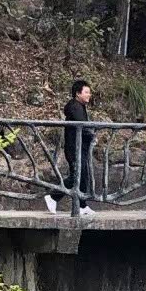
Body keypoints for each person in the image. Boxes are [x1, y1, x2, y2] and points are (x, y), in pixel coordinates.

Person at [45, 79, 95, 216]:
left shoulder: (80, 106)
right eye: (86, 92)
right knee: (76, 176)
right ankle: (53, 196)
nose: (89, 95)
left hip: (79, 148)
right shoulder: (75, 107)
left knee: (83, 176)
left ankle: (82, 205)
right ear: (78, 93)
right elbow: (82, 127)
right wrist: (91, 134)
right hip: (74, 148)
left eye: (89, 92)